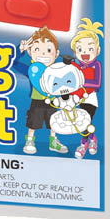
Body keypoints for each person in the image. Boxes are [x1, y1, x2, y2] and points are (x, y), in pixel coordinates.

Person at [19, 26, 68, 154]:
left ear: (56, 53)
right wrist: (20, 50)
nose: (43, 54)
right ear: (30, 52)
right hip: (36, 100)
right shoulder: (31, 70)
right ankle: (30, 140)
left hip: (52, 100)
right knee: (33, 122)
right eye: (37, 49)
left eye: (48, 50)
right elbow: (13, 63)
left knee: (54, 122)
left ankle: (53, 142)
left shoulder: (56, 70)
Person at [69, 18, 103, 159]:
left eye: (90, 49)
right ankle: (92, 138)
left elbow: (97, 83)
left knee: (84, 122)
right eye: (80, 49)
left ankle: (84, 144)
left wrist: (81, 83)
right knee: (81, 122)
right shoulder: (76, 66)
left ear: (97, 50)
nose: (85, 53)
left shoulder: (96, 65)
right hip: (77, 99)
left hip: (90, 99)